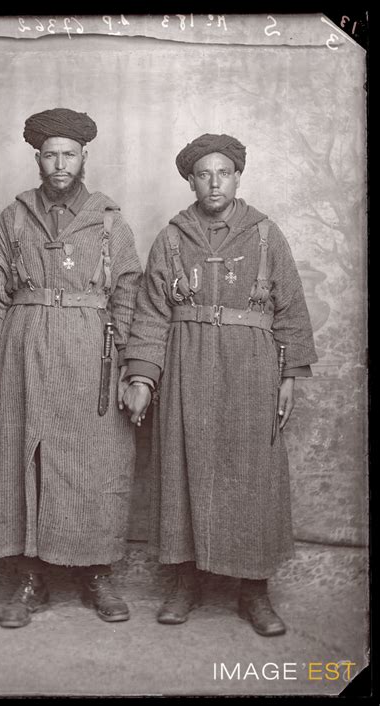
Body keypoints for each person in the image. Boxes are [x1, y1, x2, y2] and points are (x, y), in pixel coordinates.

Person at [122, 132, 318, 636]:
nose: (214, 183)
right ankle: (185, 581)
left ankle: (254, 591)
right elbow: (149, 313)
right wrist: (142, 375)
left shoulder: (265, 236)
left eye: (223, 173)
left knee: (251, 475)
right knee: (183, 470)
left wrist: (289, 376)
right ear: (191, 180)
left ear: (237, 177)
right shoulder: (171, 237)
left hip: (251, 371)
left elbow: (291, 310)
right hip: (186, 366)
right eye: (204, 174)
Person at [0, 108, 142, 628]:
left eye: (69, 154)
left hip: (94, 357)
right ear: (37, 159)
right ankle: (30, 578)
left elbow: (131, 297)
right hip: (22, 354)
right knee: (26, 459)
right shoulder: (13, 218)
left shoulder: (111, 221)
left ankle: (96, 575)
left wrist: (133, 370)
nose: (59, 164)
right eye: (50, 155)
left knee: (96, 462)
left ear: (84, 157)